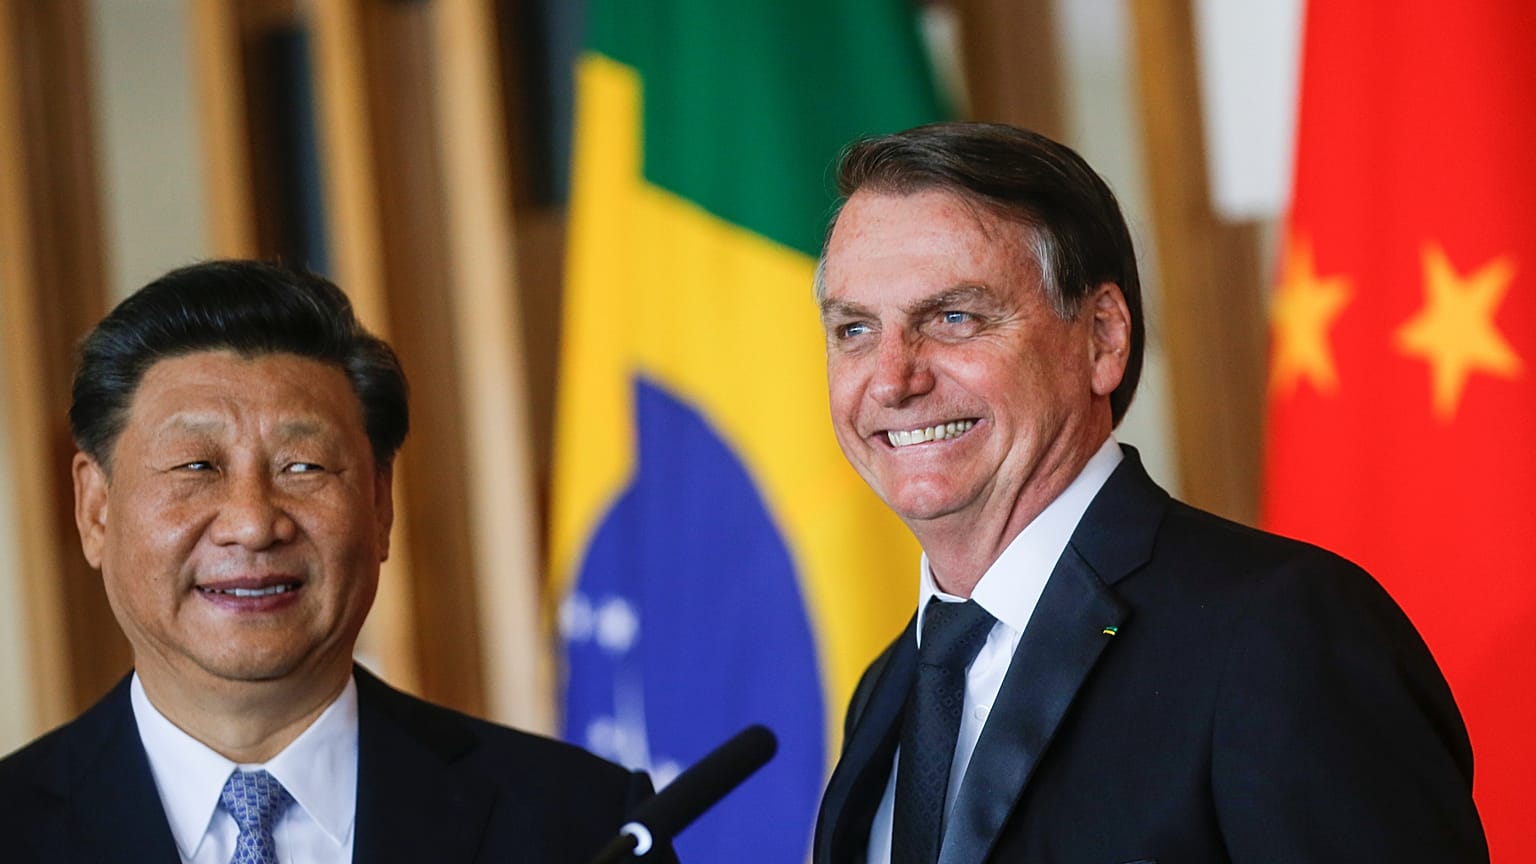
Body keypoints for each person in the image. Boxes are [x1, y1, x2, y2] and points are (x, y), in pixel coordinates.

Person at [811, 123, 1486, 863]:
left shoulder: (1276, 635)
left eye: (954, 317)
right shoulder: (889, 685)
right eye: (855, 329)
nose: (892, 379)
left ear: (1102, 338)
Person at [0, 260, 671, 863]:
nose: (253, 523)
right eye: (197, 466)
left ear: (379, 505)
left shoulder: (581, 825)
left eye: (304, 466)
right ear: (96, 509)